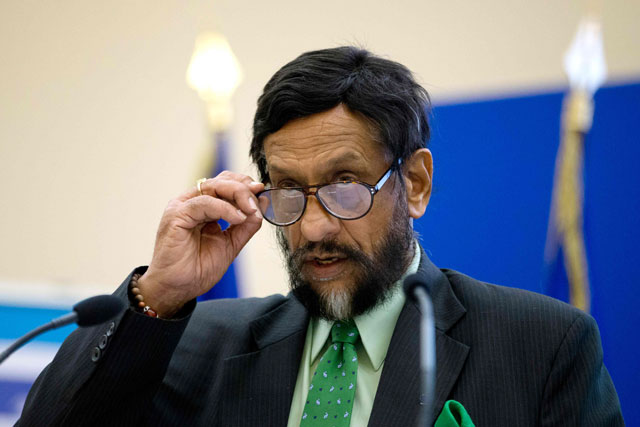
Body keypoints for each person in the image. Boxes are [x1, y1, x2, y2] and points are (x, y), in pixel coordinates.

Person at [18, 46, 623, 426]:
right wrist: (160, 294)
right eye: (288, 190)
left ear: (414, 183)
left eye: (345, 184)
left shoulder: (540, 348)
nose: (313, 226)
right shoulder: (201, 345)